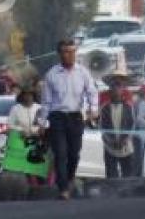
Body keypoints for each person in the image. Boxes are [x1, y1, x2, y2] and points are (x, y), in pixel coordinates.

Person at [40, 39, 99, 200]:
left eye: (73, 51)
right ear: (60, 54)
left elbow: (92, 92)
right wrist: (42, 123)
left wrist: (93, 109)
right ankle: (63, 189)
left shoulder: (83, 72)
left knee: (74, 154)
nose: (70, 55)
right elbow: (46, 102)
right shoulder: (52, 74)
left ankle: (70, 177)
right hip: (57, 117)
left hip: (75, 117)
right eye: (66, 52)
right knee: (60, 153)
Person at [100, 80, 135, 178]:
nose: (116, 91)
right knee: (111, 176)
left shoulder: (129, 107)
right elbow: (102, 127)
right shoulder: (105, 108)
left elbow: (132, 125)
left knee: (128, 176)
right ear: (110, 90)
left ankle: (127, 193)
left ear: (122, 90)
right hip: (110, 148)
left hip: (126, 148)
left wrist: (125, 140)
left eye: (118, 88)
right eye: (113, 88)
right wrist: (111, 141)